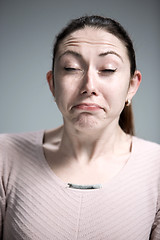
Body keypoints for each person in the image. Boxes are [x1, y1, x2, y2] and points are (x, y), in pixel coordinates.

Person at [0, 15, 160, 240]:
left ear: (132, 86)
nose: (89, 86)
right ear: (52, 83)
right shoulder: (5, 156)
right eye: (71, 68)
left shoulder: (156, 169)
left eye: (108, 69)